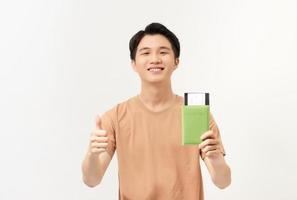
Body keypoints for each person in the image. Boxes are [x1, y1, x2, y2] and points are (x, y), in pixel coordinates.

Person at [81, 22, 231, 200]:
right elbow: (92, 179)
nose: (155, 59)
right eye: (145, 52)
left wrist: (215, 158)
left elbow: (223, 181)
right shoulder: (115, 117)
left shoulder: (195, 113)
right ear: (134, 64)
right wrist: (92, 154)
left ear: (176, 62)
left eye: (163, 52)